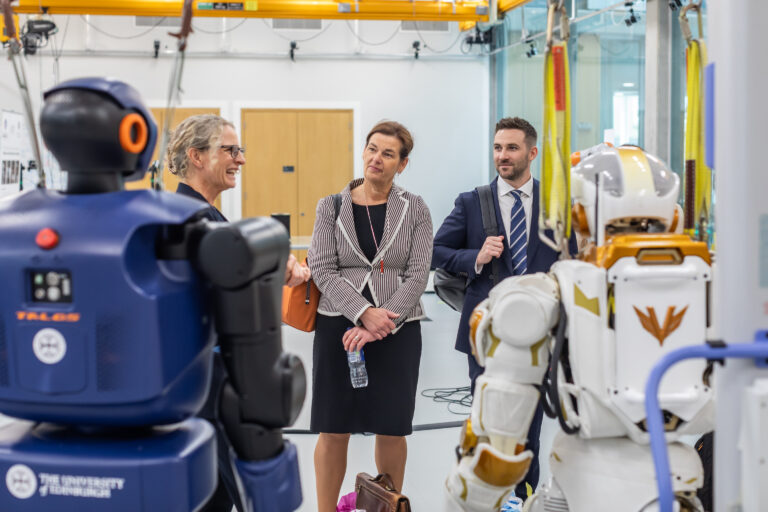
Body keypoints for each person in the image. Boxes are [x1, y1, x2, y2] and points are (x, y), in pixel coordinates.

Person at [165, 113, 310, 512]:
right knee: (232, 491)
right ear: (196, 156)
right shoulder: (199, 221)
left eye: (240, 150)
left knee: (210, 492)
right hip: (211, 384)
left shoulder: (183, 214)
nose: (240, 159)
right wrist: (279, 269)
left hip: (189, 380)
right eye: (230, 150)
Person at [432, 116, 576, 498]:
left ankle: (525, 500)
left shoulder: (556, 203)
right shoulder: (472, 202)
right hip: (487, 334)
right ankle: (484, 501)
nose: (503, 156)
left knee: (528, 428)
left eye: (511, 148)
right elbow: (436, 251)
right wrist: (475, 256)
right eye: (498, 148)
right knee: (489, 425)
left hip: (543, 334)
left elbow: (576, 257)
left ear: (532, 152)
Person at [308, 121, 433, 512]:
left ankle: (388, 504)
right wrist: (363, 313)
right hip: (338, 327)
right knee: (333, 428)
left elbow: (418, 273)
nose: (377, 158)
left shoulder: (416, 208)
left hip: (398, 331)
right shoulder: (330, 206)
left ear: (403, 164)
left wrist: (385, 321)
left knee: (392, 427)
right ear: (363, 152)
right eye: (372, 149)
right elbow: (324, 269)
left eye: (388, 153)